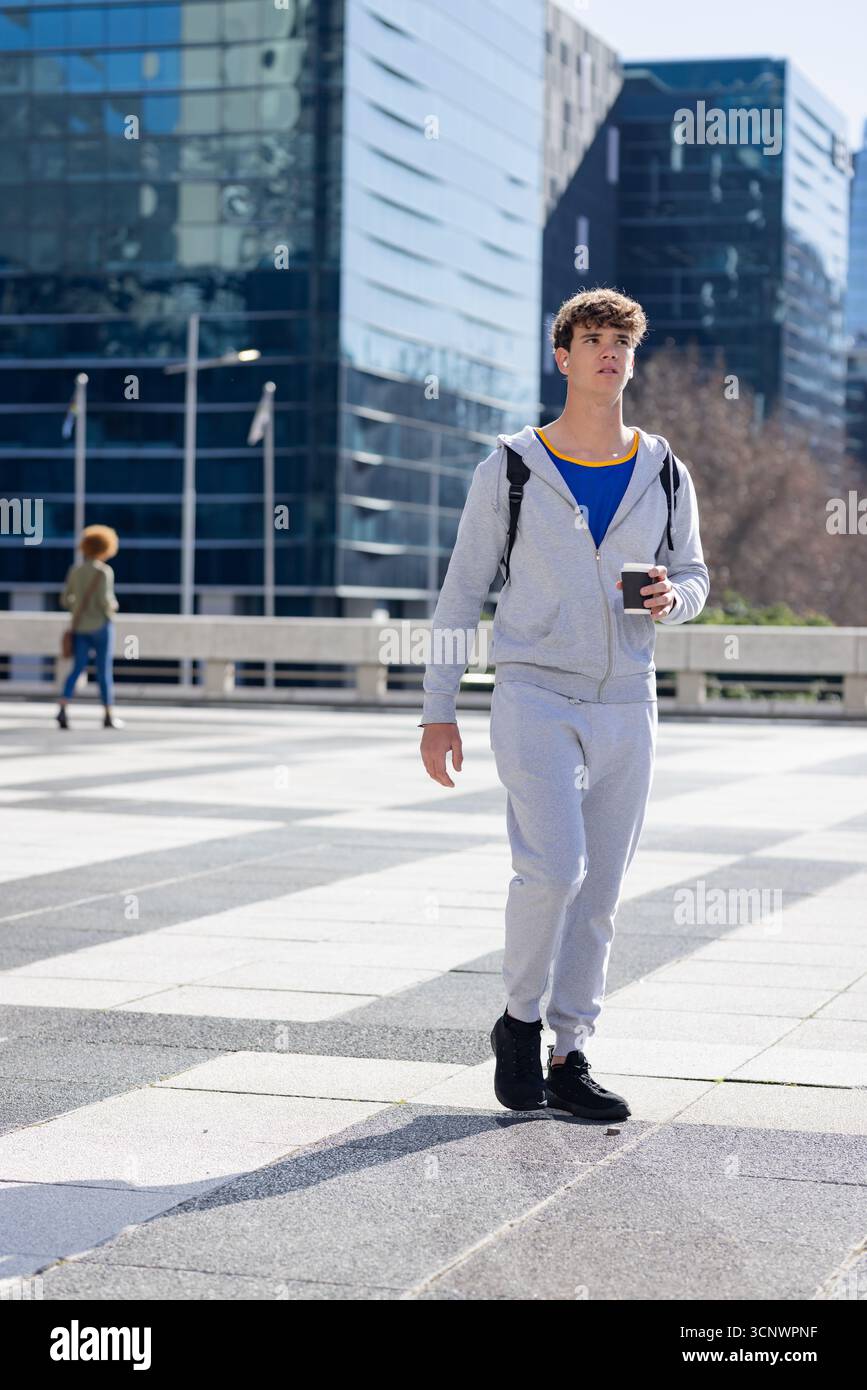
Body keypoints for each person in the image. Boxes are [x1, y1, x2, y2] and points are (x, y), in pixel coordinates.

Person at [418, 288, 709, 1121]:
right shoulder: (510, 466)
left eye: (621, 341)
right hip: (533, 691)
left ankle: (568, 1053)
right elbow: (460, 592)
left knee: (602, 888)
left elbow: (692, 572)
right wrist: (438, 707)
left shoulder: (662, 466)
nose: (608, 353)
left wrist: (671, 599)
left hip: (626, 697)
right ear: (563, 357)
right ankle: (517, 1020)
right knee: (554, 867)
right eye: (591, 339)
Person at [57, 524, 123, 730]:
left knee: (77, 669)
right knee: (104, 672)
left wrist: (77, 609)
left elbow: (65, 600)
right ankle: (108, 714)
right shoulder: (104, 572)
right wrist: (113, 607)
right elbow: (106, 601)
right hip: (101, 626)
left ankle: (63, 708)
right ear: (106, 547)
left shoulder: (75, 571)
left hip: (80, 627)